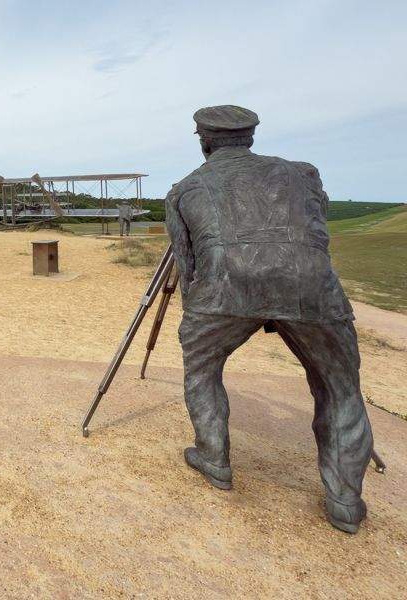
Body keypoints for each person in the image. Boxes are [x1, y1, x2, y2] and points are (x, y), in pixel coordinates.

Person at [165, 105, 373, 534]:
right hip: (310, 286)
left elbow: (186, 268)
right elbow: (319, 232)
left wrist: (198, 320)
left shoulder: (185, 188)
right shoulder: (304, 174)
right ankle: (345, 500)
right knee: (341, 388)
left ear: (204, 140)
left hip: (223, 288)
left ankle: (214, 457)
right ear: (250, 138)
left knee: (201, 369)